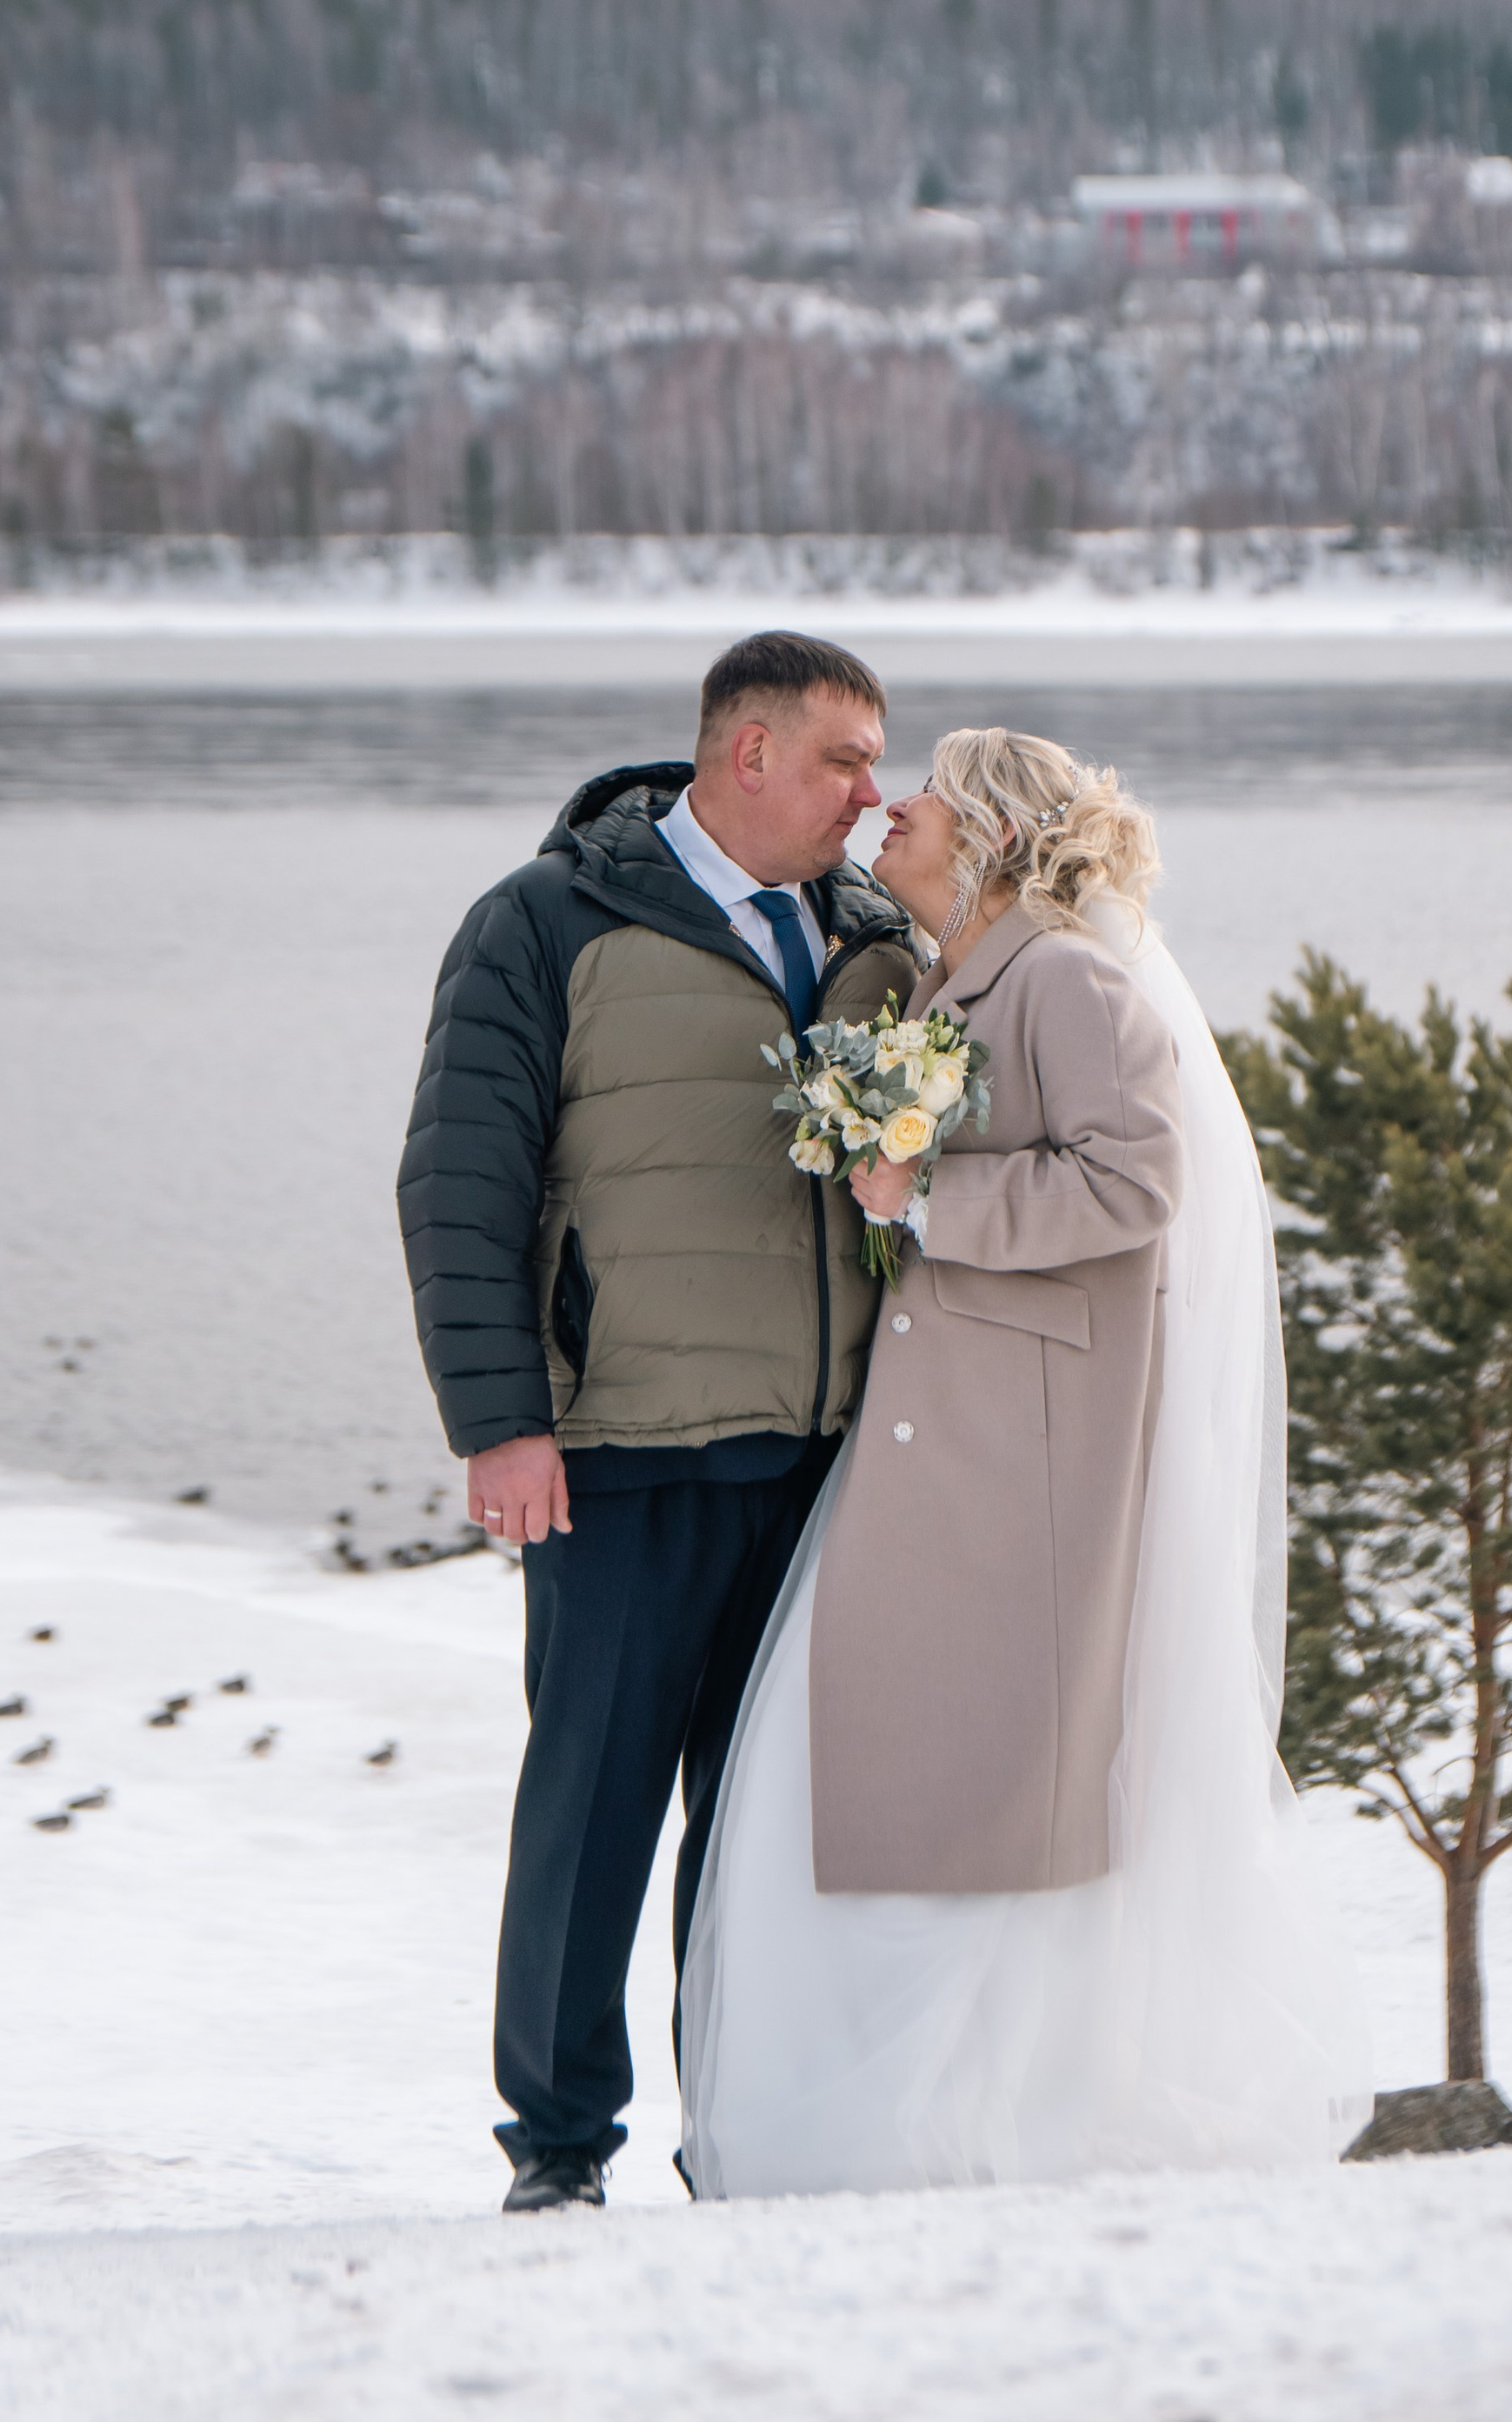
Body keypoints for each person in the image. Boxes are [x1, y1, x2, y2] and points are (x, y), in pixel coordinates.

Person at [677, 726, 1365, 2194]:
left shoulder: (1066, 975)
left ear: (988, 836)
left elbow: (1134, 1181)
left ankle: (943, 2128)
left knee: (968, 1800)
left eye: (923, 793)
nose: (895, 811)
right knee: (854, 1774)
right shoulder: (964, 976)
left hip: (1021, 1458)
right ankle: (865, 2120)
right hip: (952, 1435)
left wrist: (924, 1194)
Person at [396, 631, 919, 2212]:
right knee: (595, 1808)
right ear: (745, 753)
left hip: (824, 1463)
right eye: (843, 760)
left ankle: (739, 2132)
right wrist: (502, 1420)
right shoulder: (549, 922)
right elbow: (458, 1187)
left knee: (759, 1839)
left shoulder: (879, 939)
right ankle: (559, 2146)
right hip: (623, 1455)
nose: (870, 795)